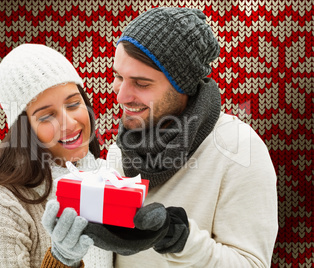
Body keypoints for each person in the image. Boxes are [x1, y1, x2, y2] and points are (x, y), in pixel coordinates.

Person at [84, 7, 278, 268]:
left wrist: (180, 239)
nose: (121, 96)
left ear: (182, 86)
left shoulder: (239, 149)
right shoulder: (122, 151)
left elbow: (252, 264)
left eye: (141, 83)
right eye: (118, 77)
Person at [0, 44, 113, 267]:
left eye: (74, 104)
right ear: (24, 130)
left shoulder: (105, 176)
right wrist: (61, 261)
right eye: (46, 116)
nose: (69, 123)